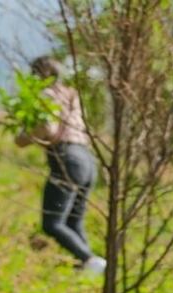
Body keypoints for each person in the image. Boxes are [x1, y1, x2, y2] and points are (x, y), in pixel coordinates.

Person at [15, 56, 105, 274]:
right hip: (87, 159)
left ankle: (91, 261)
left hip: (67, 159)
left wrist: (23, 138)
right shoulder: (71, 94)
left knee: (52, 223)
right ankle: (89, 270)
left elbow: (49, 129)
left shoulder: (47, 95)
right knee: (74, 222)